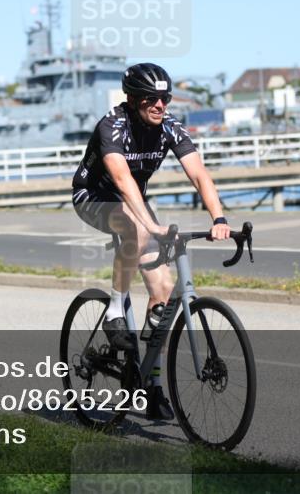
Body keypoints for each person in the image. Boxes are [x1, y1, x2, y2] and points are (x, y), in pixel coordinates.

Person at [71, 63, 231, 420]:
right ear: (132, 99)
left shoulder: (170, 127)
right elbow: (123, 181)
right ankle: (114, 311)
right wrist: (150, 227)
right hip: (95, 196)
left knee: (163, 289)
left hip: (134, 202)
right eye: (151, 98)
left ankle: (151, 384)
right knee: (137, 230)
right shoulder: (112, 126)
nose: (160, 104)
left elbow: (199, 174)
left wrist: (218, 218)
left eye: (165, 98)